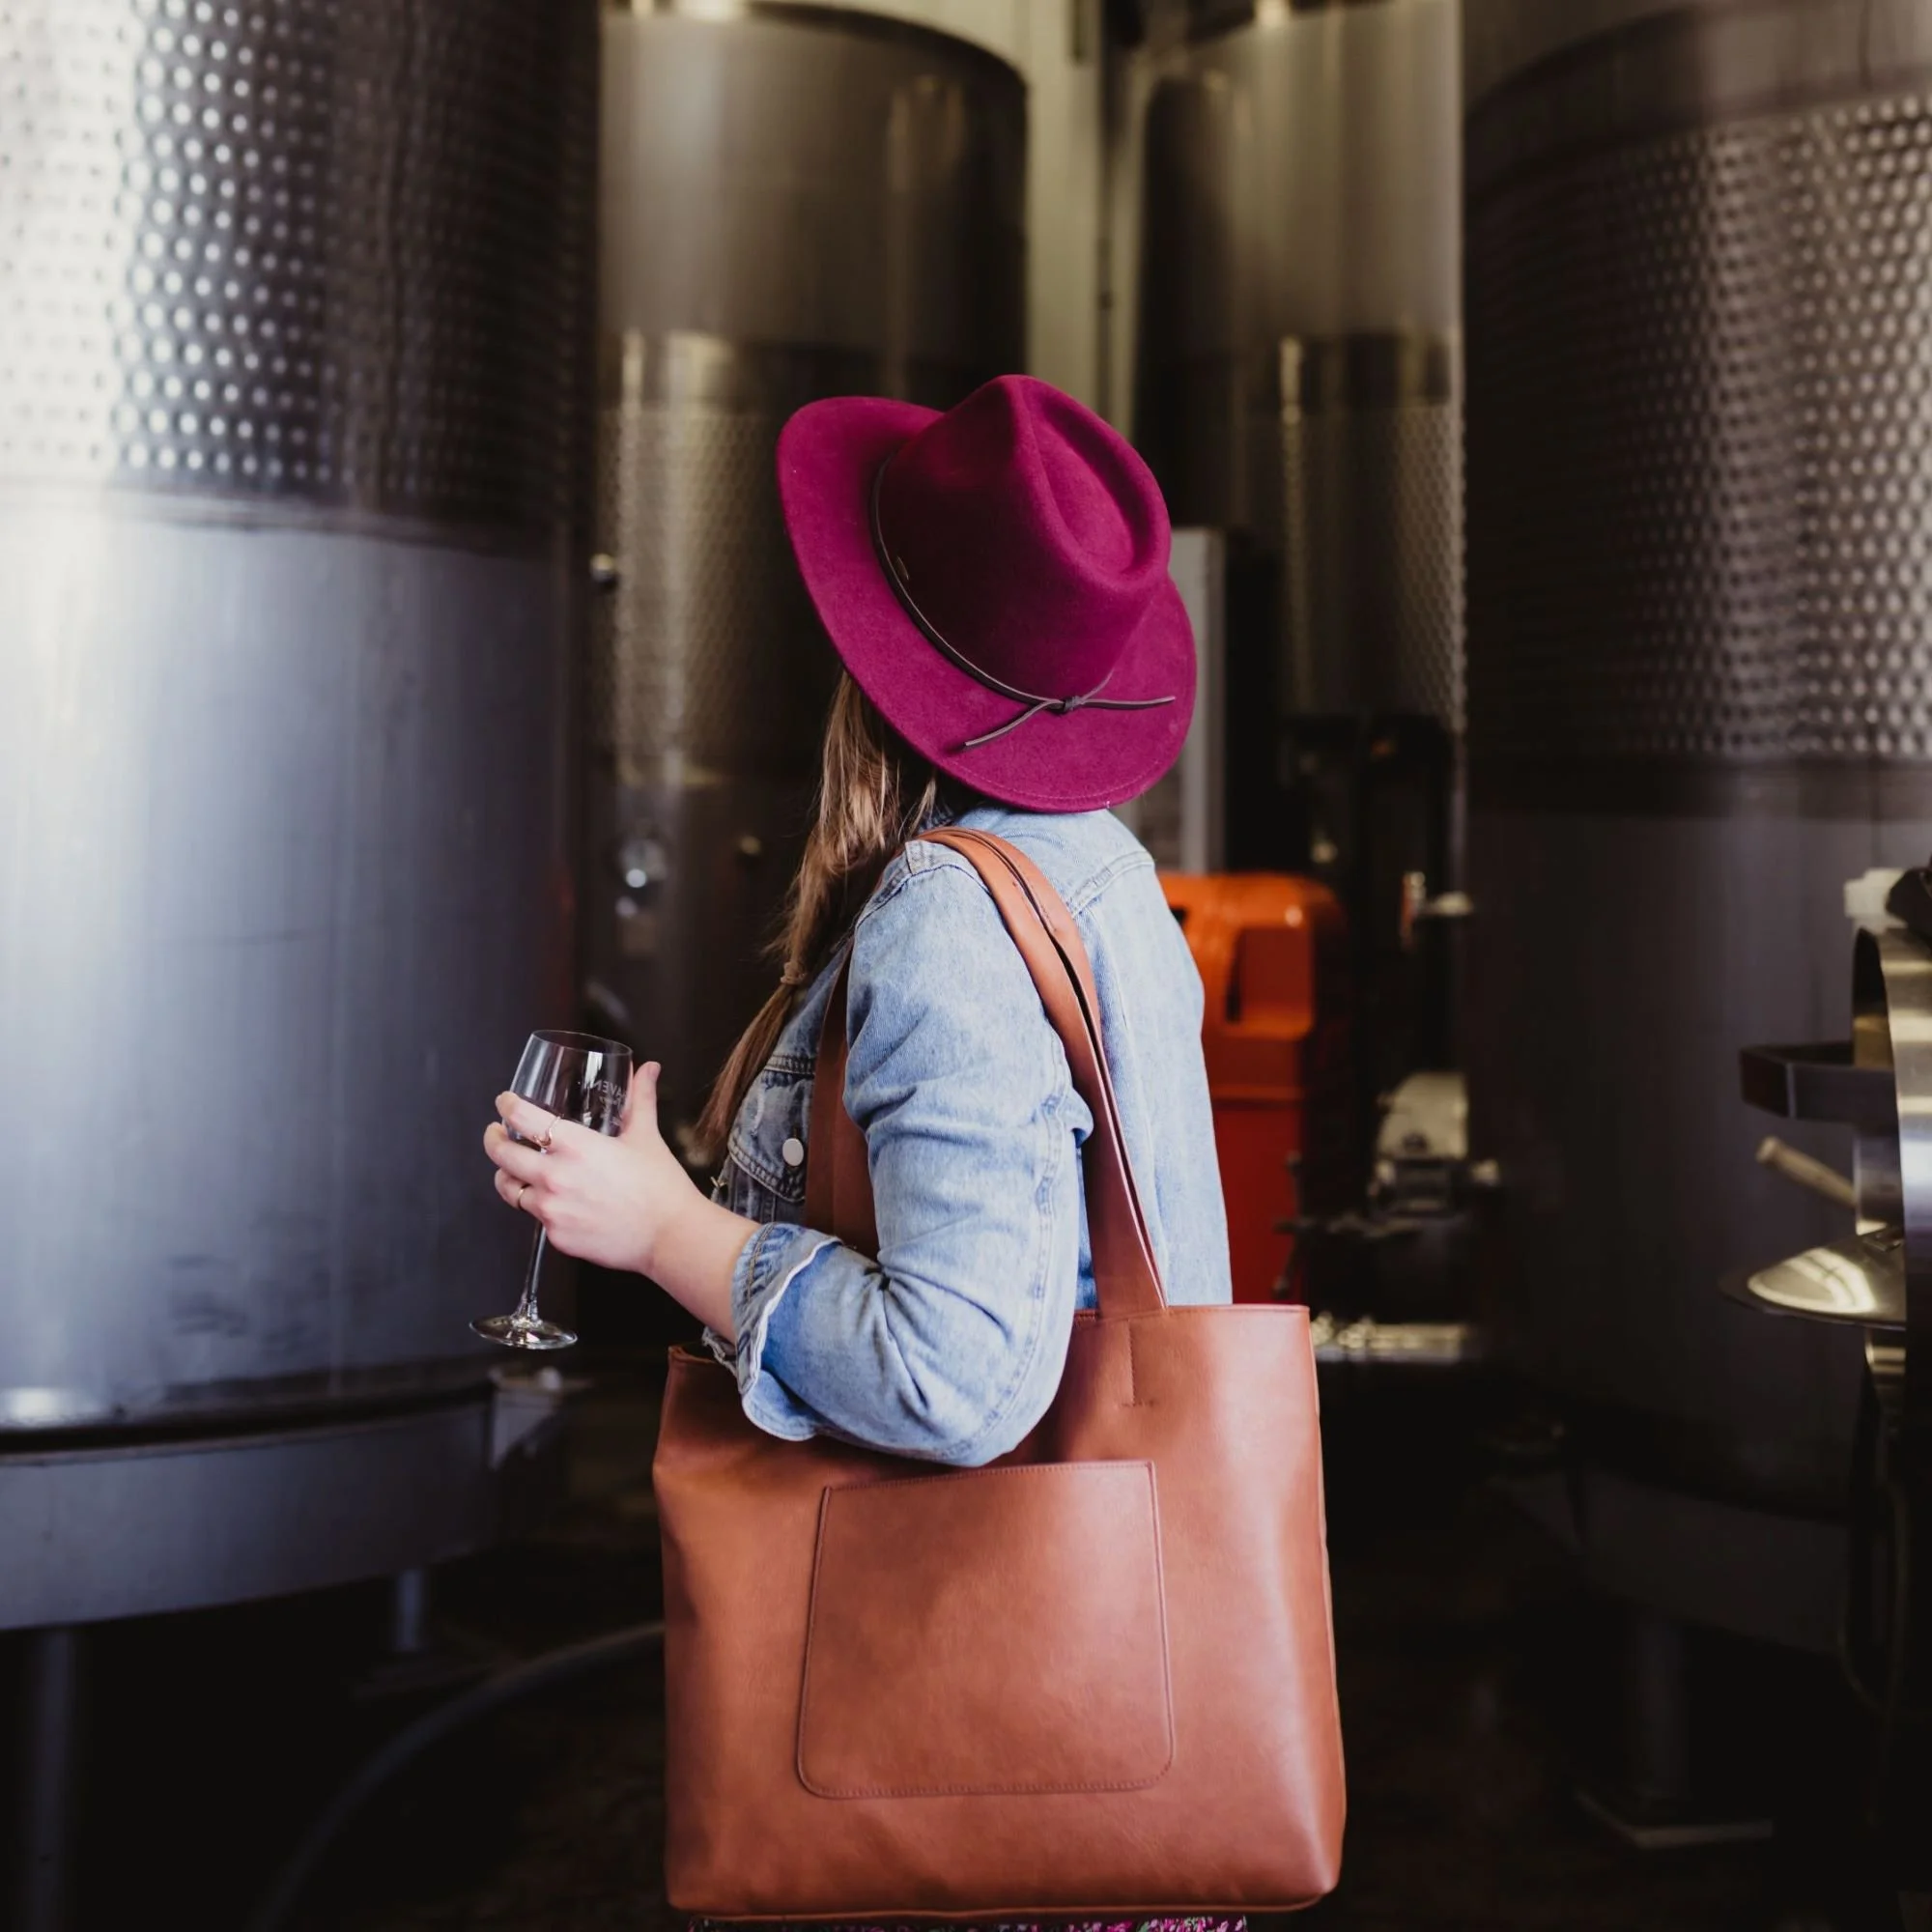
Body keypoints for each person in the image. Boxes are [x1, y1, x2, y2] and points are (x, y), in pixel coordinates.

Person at [483, 373, 1238, 1927]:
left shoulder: (954, 919)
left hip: (979, 1829)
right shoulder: (1093, 873)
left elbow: (960, 1374)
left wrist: (668, 1235)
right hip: (1109, 1769)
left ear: (869, 655)